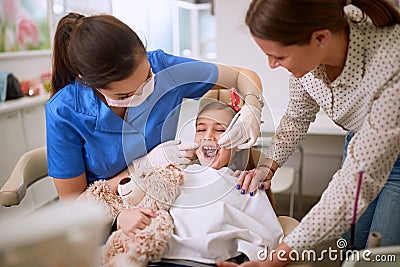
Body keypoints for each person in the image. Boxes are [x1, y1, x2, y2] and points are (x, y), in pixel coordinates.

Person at [46, 12, 265, 238]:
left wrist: (253, 107)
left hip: (161, 205)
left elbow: (242, 76)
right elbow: (74, 205)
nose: (142, 94)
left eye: (147, 78)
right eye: (125, 94)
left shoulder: (164, 68)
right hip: (100, 224)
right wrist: (141, 170)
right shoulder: (63, 112)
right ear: (87, 80)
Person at [218, 0, 400, 266]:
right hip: (360, 144)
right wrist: (266, 168)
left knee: (376, 257)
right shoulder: (311, 55)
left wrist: (275, 259)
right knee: (355, 245)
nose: (271, 65)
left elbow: (353, 186)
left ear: (320, 39)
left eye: (279, 56)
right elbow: (297, 116)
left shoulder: (391, 63)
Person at [152, 100, 282, 266]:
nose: (208, 136)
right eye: (200, 129)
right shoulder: (177, 176)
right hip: (162, 257)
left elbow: (267, 236)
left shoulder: (245, 183)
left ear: (238, 142)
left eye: (220, 130)